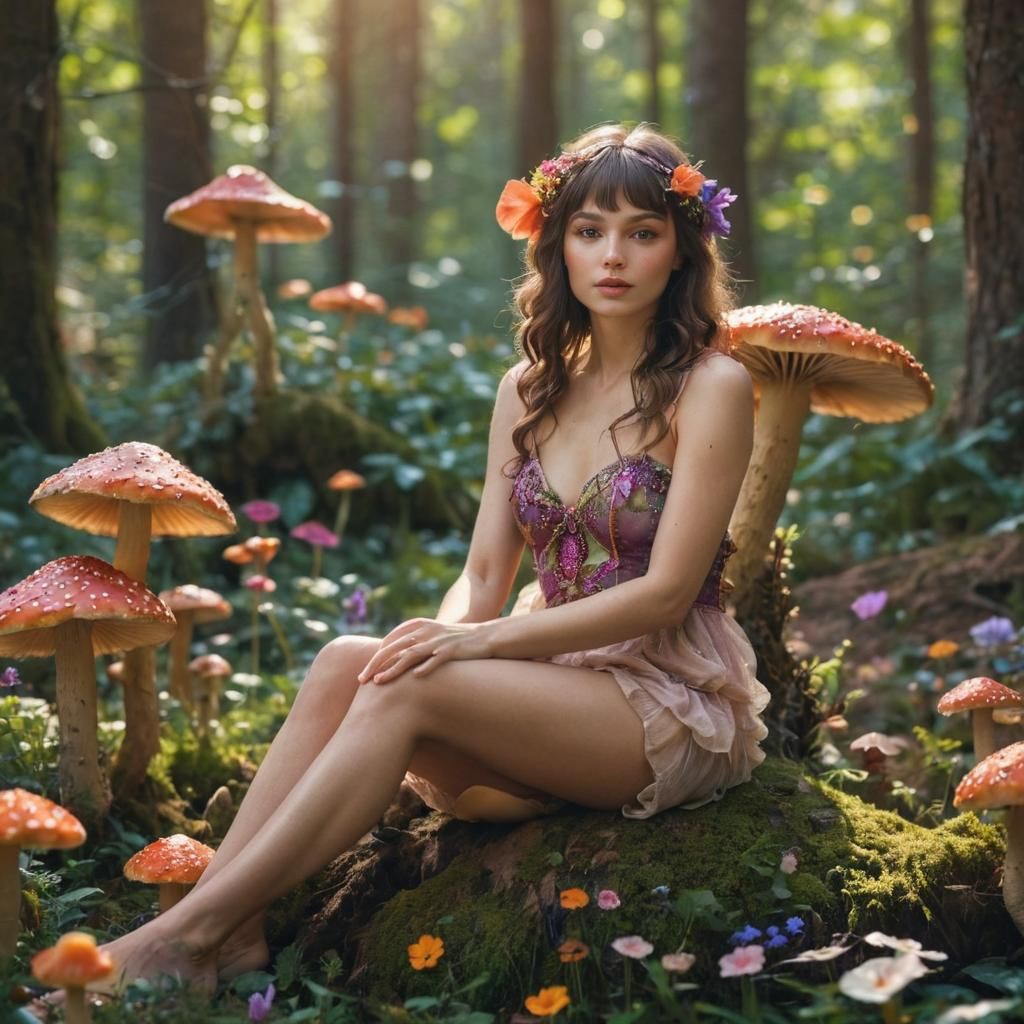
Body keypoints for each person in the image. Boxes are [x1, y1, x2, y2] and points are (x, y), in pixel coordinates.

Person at [43, 121, 770, 998]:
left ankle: (180, 939)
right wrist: (443, 632)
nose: (612, 255)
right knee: (352, 658)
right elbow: (484, 571)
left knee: (417, 676)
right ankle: (229, 930)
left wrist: (474, 650)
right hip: (550, 689)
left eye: (642, 233)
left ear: (679, 250)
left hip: (664, 703)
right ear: (559, 245)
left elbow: (663, 595)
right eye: (589, 230)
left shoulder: (712, 384)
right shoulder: (529, 390)